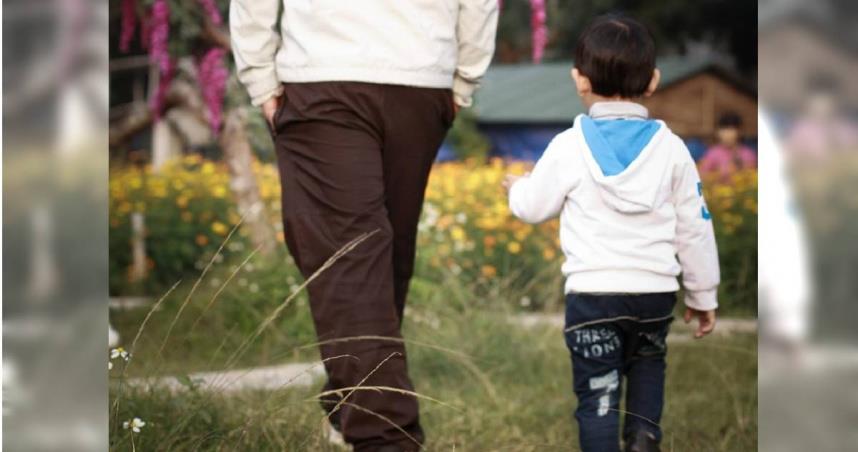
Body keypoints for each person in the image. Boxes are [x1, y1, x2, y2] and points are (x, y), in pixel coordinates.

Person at [229, 2, 498, 451]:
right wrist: (463, 76)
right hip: (417, 77)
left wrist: (259, 77)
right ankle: (351, 410)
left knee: (356, 260)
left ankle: (383, 438)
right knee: (369, 259)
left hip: (329, 69)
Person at [503, 15, 720, 452]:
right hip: (654, 295)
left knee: (597, 398)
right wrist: (703, 294)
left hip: (593, 297)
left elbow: (532, 207)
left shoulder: (568, 146)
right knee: (648, 369)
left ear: (579, 80)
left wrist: (517, 189)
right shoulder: (673, 150)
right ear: (653, 80)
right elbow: (695, 226)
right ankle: (642, 439)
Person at [698, 112, 757, 179]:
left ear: (740, 131)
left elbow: (752, 175)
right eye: (723, 129)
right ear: (717, 132)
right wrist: (719, 174)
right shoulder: (713, 153)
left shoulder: (748, 154)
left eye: (731, 129)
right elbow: (702, 173)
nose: (727, 134)